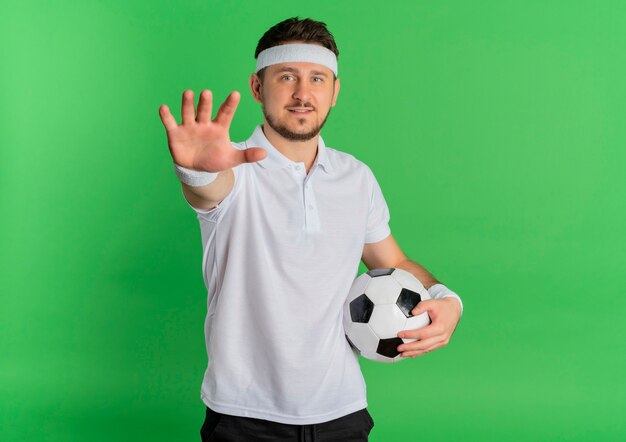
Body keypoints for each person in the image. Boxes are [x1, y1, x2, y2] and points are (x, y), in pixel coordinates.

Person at [158, 17, 463, 442]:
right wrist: (194, 171)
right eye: (287, 77)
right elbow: (209, 192)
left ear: (334, 91)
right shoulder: (232, 168)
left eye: (317, 78)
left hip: (343, 412)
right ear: (258, 87)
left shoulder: (356, 177)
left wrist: (446, 299)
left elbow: (393, 262)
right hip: (244, 417)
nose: (303, 93)